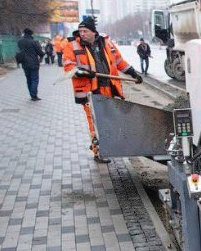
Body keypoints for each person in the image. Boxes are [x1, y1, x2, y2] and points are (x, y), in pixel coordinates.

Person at [62, 18, 143, 164]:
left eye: (85, 31)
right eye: (80, 31)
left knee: (108, 120)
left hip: (108, 88)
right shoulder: (72, 45)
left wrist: (132, 72)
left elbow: (119, 61)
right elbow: (68, 66)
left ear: (93, 32)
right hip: (89, 92)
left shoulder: (106, 43)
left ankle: (99, 143)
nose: (82, 34)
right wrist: (82, 72)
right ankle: (98, 152)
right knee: (95, 122)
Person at [17, 28, 43, 100]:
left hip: (24, 63)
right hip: (34, 63)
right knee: (34, 79)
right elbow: (40, 52)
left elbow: (19, 51)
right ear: (31, 34)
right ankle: (34, 95)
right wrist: (41, 58)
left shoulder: (20, 42)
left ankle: (32, 95)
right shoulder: (34, 42)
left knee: (28, 79)